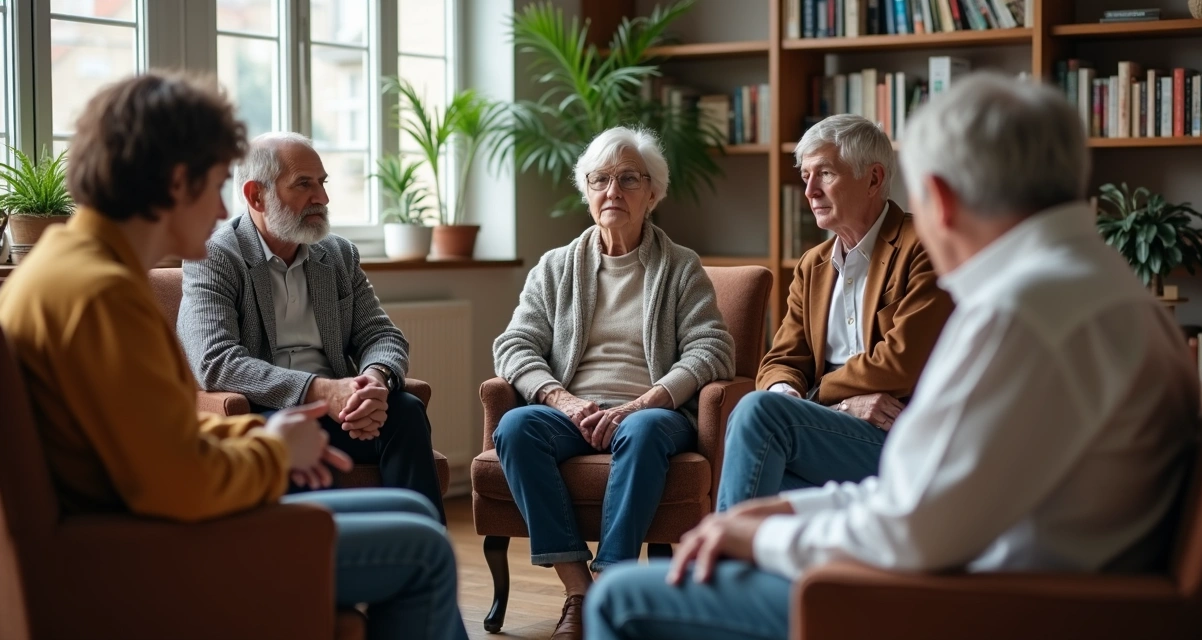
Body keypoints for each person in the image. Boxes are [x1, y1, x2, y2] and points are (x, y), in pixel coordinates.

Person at [585, 72, 1199, 640]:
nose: (809, 190)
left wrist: (764, 537)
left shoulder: (1019, 313)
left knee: (618, 601)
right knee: (757, 443)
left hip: (982, 597)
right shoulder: (1100, 287)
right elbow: (925, 488)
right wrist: (786, 510)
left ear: (938, 197)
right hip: (1008, 566)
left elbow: (913, 526)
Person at [0, 72, 467, 640]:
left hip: (146, 523)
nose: (225, 208)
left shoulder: (77, 269)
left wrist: (267, 439)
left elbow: (161, 440)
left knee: (414, 513)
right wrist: (273, 452)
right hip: (145, 550)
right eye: (220, 183)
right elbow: (172, 481)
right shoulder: (99, 294)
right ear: (177, 182)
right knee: (421, 548)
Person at [491, 125, 735, 639]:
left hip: (652, 413)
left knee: (643, 431)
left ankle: (613, 577)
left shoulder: (680, 268)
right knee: (515, 427)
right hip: (571, 411)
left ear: (653, 192)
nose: (612, 192)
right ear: (586, 191)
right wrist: (565, 401)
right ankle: (580, 591)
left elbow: (713, 349)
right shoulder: (555, 268)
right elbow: (512, 346)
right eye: (600, 179)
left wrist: (645, 401)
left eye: (628, 179)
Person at [176, 131, 445, 522]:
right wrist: (320, 391)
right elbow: (216, 361)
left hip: (345, 410)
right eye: (304, 184)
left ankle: (423, 554)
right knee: (294, 435)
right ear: (256, 196)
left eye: (322, 183)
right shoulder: (214, 257)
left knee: (404, 410)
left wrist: (374, 379)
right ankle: (317, 569)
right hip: (267, 413)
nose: (322, 197)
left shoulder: (338, 255)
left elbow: (381, 335)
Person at [716, 114, 953, 512]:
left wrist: (811, 400)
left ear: (874, 179)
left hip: (901, 437)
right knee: (761, 455)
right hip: (829, 431)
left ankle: (718, 562)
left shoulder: (924, 246)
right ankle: (746, 566)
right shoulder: (813, 264)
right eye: (806, 176)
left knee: (759, 415)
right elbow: (781, 359)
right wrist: (788, 391)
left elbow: (900, 363)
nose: (809, 191)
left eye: (824, 174)